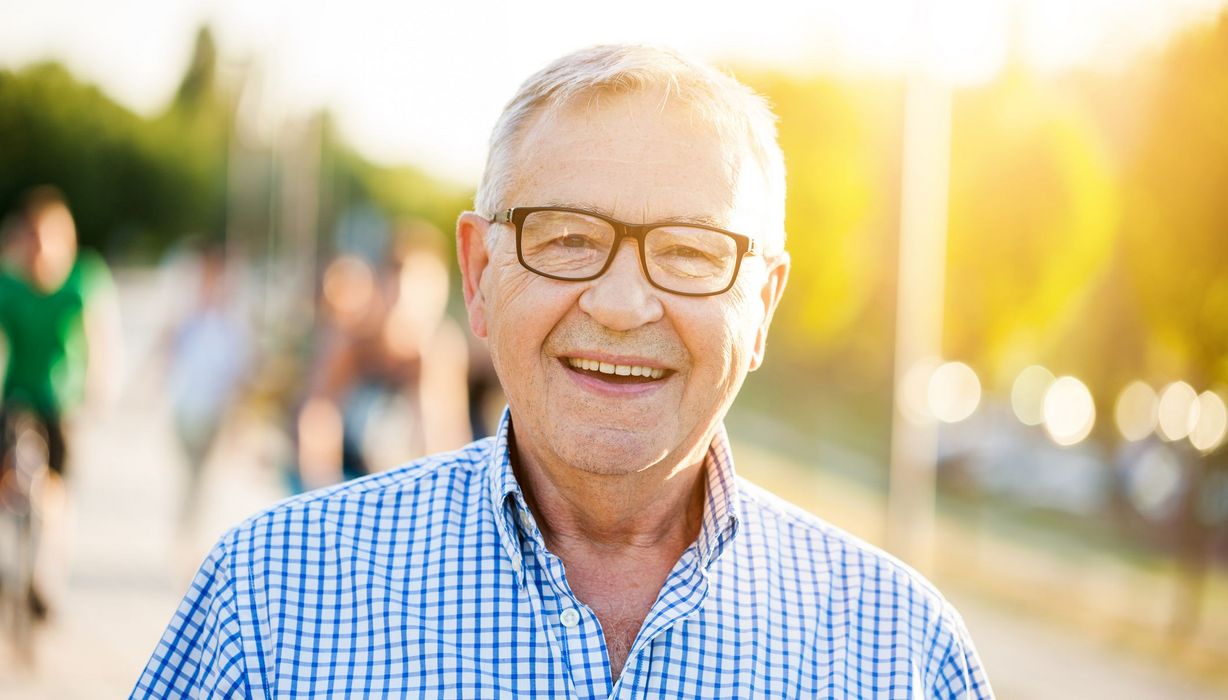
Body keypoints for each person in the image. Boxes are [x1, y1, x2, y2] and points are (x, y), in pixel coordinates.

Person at [134, 45, 993, 697]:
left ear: (761, 305)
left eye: (691, 252)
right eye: (567, 238)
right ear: (478, 276)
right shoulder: (271, 599)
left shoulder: (902, 656)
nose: (622, 304)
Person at [0, 185, 122, 616]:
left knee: (58, 489)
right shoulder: (8, 285)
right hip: (15, 395)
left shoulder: (81, 280)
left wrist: (98, 388)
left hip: (61, 400)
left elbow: (98, 336)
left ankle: (46, 575)